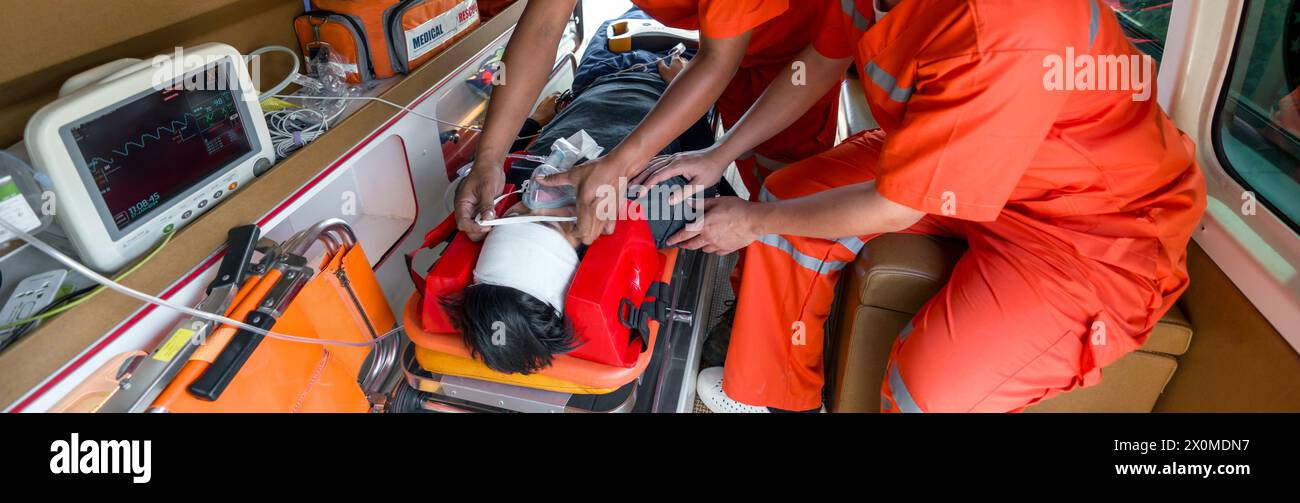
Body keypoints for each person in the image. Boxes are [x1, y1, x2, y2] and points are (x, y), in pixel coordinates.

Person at [639, 0, 1207, 412]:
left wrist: (750, 222)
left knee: (929, 393)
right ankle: (779, 398)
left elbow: (893, 208)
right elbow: (819, 62)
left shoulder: (1014, 25)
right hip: (973, 158)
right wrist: (721, 153)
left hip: (1092, 227)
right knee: (789, 194)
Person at [456, 1, 840, 248]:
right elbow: (542, 26)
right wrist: (489, 157)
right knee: (734, 163)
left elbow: (716, 61)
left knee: (781, 188)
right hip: (704, 43)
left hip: (803, 51)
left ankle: (767, 299)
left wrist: (621, 165)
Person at [443, 31, 712, 375]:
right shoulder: (650, 208)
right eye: (550, 222)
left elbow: (542, 29)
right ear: (583, 239)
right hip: (669, 87)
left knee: (613, 29)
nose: (539, 195)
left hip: (595, 75)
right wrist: (685, 87)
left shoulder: (510, 182)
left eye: (518, 214)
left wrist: (489, 159)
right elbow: (702, 167)